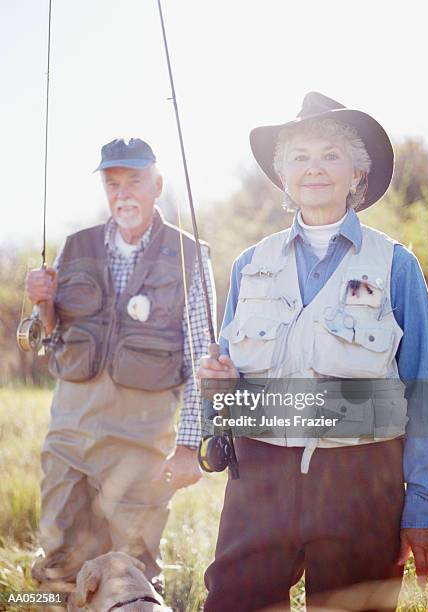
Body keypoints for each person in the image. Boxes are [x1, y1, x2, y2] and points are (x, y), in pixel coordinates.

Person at [198, 92, 428, 611]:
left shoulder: (395, 266)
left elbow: (424, 390)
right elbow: (225, 391)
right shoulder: (249, 265)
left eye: (330, 155)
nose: (314, 168)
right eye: (300, 156)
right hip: (259, 480)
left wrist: (423, 505)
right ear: (284, 176)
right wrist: (218, 393)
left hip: (362, 484)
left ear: (357, 175)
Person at [26, 138, 214, 597]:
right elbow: (50, 341)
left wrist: (189, 445)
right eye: (113, 184)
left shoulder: (191, 256)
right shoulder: (76, 246)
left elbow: (201, 359)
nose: (123, 194)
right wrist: (43, 306)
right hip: (69, 441)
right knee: (59, 570)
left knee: (131, 575)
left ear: (158, 185)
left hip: (140, 448)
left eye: (134, 182)